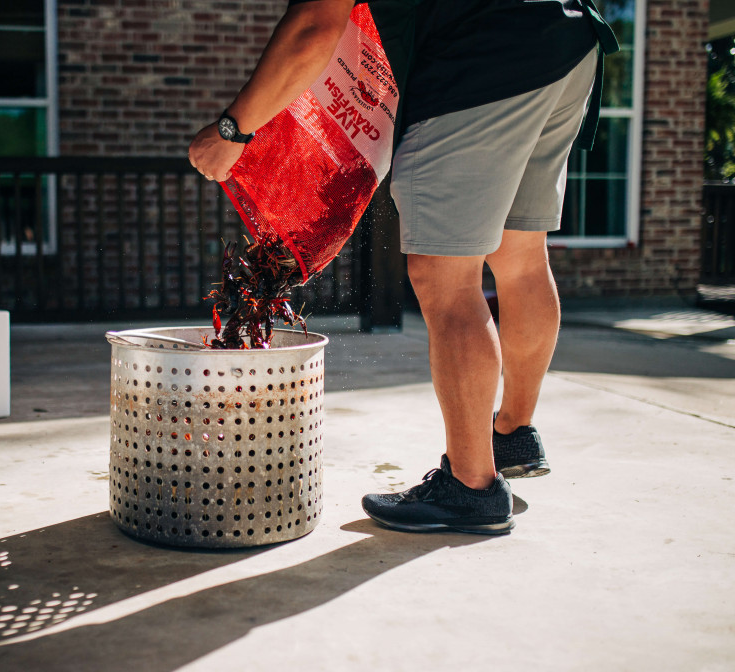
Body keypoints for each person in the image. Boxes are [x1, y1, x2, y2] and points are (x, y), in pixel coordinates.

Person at [188, 0, 616, 535]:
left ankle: (471, 486)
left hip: (482, 60)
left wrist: (233, 130)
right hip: (565, 39)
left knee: (445, 276)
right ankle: (513, 434)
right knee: (521, 256)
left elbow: (313, 27)